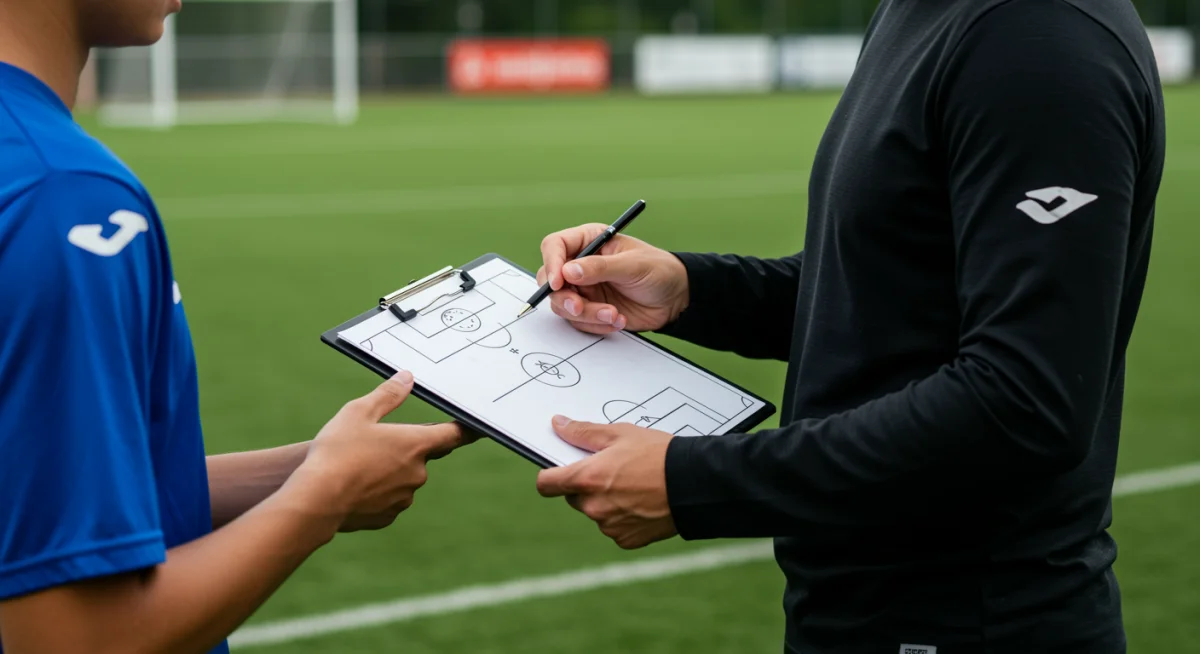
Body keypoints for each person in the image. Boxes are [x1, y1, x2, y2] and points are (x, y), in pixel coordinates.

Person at [533, 0, 1165, 652]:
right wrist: (693, 290)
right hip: (856, 615)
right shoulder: (918, 11)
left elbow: (1025, 403)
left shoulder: (1041, 37)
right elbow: (883, 292)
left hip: (970, 621)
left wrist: (694, 483)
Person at [0, 1, 471, 652]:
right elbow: (77, 640)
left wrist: (312, 468)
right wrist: (323, 498)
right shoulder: (65, 194)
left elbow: (32, 491)